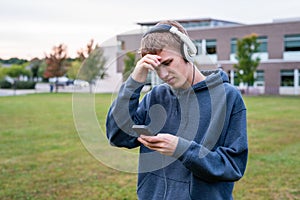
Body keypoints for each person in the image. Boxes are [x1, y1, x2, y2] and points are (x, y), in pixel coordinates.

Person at [106, 20, 248, 200]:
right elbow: (117, 136)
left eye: (168, 62)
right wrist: (135, 81)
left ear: (188, 52)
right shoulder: (156, 96)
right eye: (156, 68)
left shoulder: (228, 97)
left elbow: (232, 166)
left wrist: (182, 149)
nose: (163, 75)